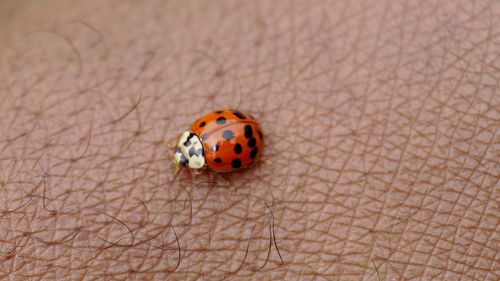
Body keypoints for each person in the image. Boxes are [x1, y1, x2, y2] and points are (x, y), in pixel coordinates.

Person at [0, 1, 497, 279]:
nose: (186, 159)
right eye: (186, 155)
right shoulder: (207, 140)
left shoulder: (219, 155)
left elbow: (230, 150)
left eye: (186, 155)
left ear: (198, 151)